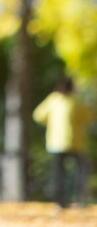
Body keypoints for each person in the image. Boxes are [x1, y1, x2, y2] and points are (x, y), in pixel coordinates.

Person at [33, 76, 90, 208]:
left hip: (56, 143)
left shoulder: (53, 100)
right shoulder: (74, 101)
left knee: (58, 174)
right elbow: (88, 116)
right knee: (80, 172)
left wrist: (50, 123)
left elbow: (38, 115)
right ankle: (79, 200)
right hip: (75, 142)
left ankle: (59, 203)